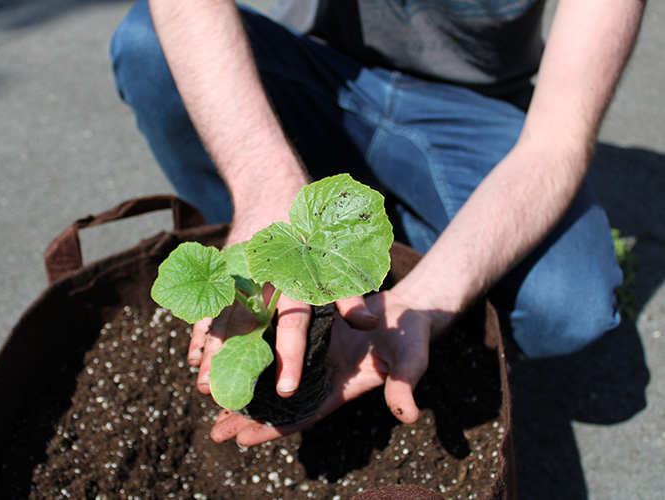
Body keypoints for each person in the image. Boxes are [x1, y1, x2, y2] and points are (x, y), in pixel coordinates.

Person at [110, 0, 645, 445]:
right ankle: (268, 238)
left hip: (475, 110)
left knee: (567, 309)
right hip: (326, 69)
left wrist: (430, 295)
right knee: (145, 44)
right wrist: (263, 180)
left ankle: (354, 233)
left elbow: (557, 142)